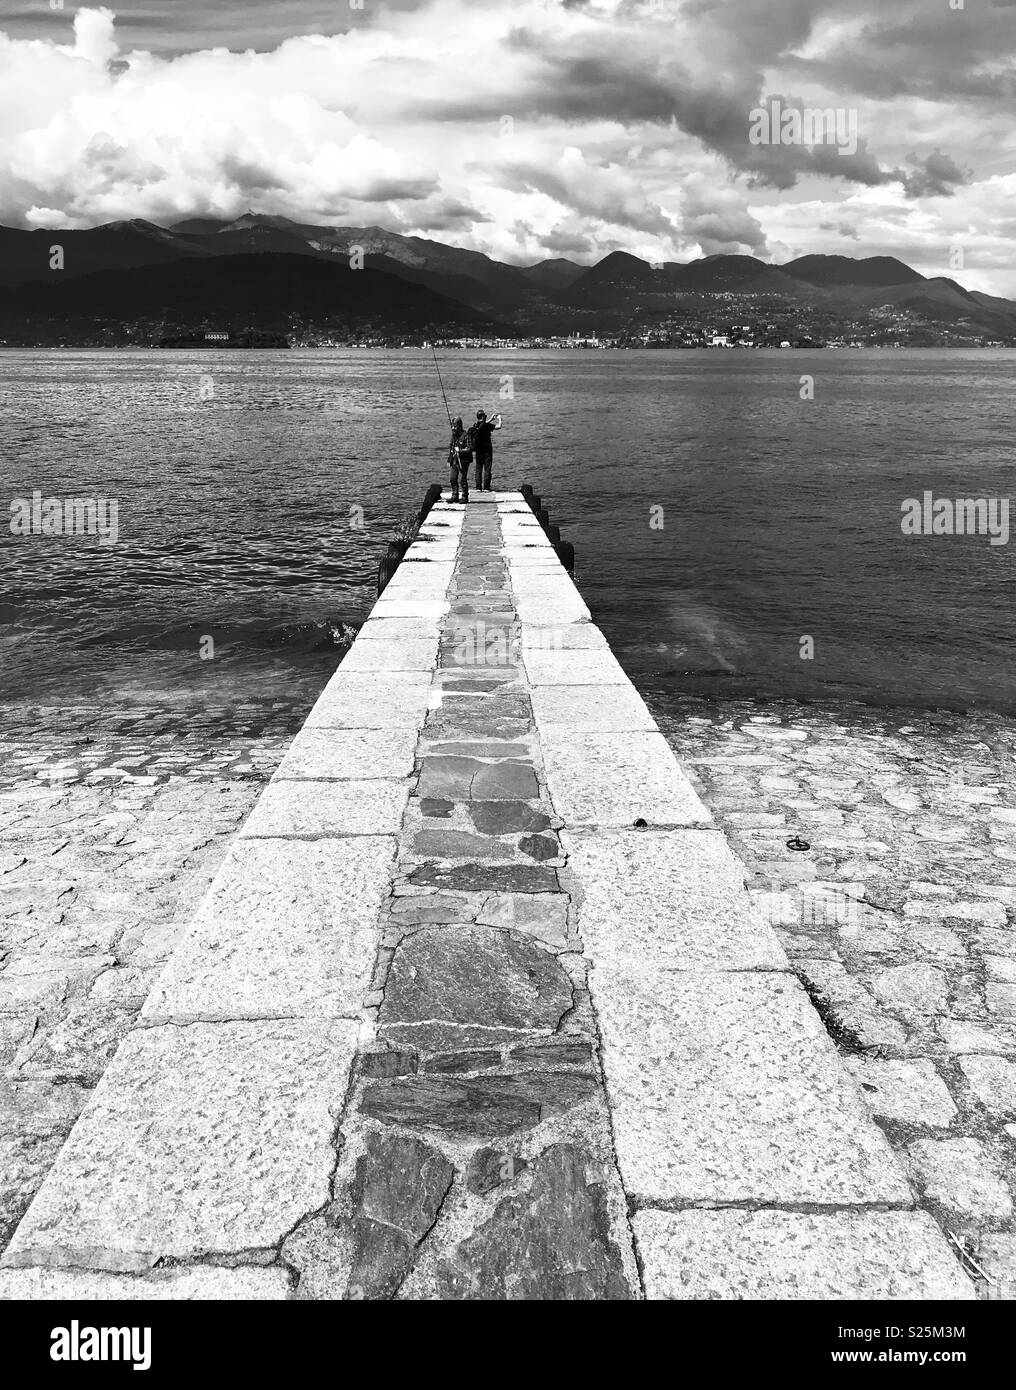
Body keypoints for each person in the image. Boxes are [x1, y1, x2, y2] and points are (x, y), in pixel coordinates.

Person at [470, 409, 502, 491]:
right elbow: (498, 426)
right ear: (483, 417)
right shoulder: (486, 426)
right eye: (485, 416)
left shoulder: (475, 425)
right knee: (487, 470)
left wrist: (491, 419)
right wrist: (500, 419)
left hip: (478, 452)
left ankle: (478, 487)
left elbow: (483, 424)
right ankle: (486, 487)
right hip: (487, 452)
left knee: (478, 470)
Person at [448, 416, 472, 503]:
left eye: (455, 426)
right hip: (454, 460)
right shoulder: (453, 436)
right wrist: (449, 460)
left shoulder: (466, 435)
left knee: (462, 479)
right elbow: (451, 447)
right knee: (452, 478)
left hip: (464, 461)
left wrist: (461, 450)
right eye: (452, 426)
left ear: (460, 426)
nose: (453, 428)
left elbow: (470, 448)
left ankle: (465, 496)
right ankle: (455, 495)